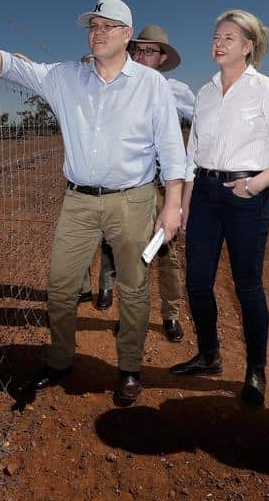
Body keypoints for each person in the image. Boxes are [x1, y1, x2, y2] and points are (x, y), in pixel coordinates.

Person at [0, 0, 186, 406]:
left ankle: (129, 368)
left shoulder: (152, 85)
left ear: (127, 36)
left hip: (132, 200)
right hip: (78, 202)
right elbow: (8, 66)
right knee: (60, 285)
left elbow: (171, 148)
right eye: (93, 25)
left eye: (109, 26)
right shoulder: (65, 77)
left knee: (133, 287)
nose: (98, 32)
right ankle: (60, 359)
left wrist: (172, 205)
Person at [170, 9, 269, 409]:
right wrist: (185, 203)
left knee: (247, 286)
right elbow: (193, 153)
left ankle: (256, 371)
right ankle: (209, 355)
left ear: (248, 47)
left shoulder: (268, 89)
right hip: (206, 197)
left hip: (246, 197)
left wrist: (256, 184)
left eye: (229, 37)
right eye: (215, 36)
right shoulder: (205, 94)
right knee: (196, 282)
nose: (218, 43)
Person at [79, 25, 195, 344]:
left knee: (166, 255)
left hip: (163, 189)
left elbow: (204, 122)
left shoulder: (174, 90)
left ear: (161, 59)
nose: (143, 56)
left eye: (150, 51)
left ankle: (170, 314)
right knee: (127, 253)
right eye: (138, 50)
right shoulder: (117, 84)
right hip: (128, 188)